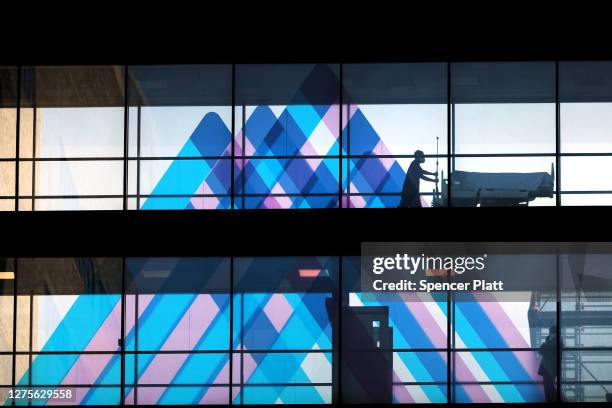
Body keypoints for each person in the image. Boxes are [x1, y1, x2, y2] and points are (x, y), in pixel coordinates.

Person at [538, 325, 560, 402]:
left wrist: (547, 341)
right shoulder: (554, 342)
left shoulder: (554, 342)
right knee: (548, 387)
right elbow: (542, 351)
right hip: (549, 368)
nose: (549, 334)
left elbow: (541, 350)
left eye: (550, 333)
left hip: (549, 369)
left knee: (548, 387)